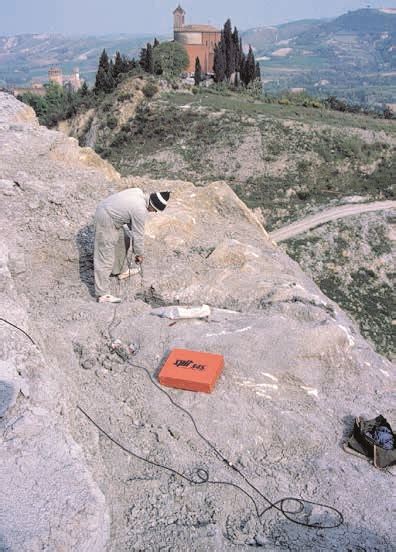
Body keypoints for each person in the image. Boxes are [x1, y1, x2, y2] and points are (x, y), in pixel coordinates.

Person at [94, 189, 170, 303]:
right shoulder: (140, 210)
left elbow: (130, 219)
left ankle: (119, 270)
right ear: (152, 205)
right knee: (105, 255)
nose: (154, 212)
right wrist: (139, 254)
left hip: (110, 213)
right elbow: (138, 235)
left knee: (125, 238)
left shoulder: (138, 192)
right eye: (155, 210)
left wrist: (136, 246)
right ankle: (102, 294)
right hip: (105, 218)